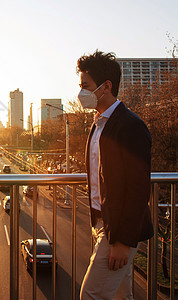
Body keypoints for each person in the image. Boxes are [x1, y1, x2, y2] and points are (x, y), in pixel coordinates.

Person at [77, 50, 153, 300]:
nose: (81, 93)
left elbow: (138, 189)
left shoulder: (131, 126)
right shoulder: (99, 123)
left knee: (90, 295)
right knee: (122, 297)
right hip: (102, 222)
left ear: (106, 86)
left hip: (117, 229)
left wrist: (122, 241)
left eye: (85, 86)